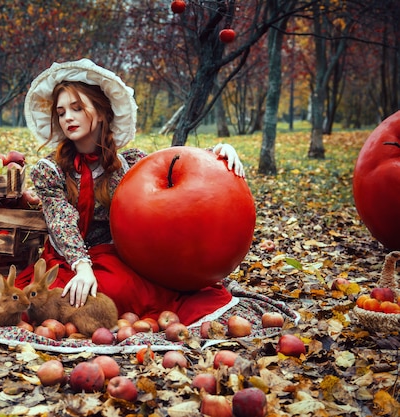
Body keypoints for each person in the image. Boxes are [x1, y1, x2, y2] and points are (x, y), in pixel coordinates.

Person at [15, 58, 246, 325]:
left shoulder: (128, 164)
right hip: (68, 258)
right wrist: (83, 267)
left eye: (77, 108)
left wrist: (218, 152)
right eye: (61, 111)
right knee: (47, 299)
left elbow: (171, 168)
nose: (68, 117)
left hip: (114, 255)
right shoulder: (49, 170)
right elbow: (61, 221)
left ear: (100, 112)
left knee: (119, 289)